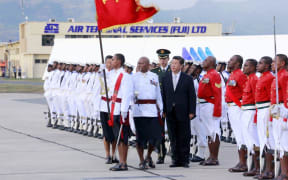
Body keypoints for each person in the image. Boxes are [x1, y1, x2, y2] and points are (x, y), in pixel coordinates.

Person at [162, 56, 196, 168]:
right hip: (170, 111)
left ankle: (184, 160)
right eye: (172, 63)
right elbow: (163, 95)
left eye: (176, 63)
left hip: (184, 111)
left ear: (181, 66)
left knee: (184, 136)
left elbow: (192, 96)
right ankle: (175, 159)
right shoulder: (165, 77)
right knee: (173, 136)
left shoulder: (187, 78)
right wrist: (163, 110)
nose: (173, 65)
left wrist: (192, 111)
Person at [132, 57, 163, 169]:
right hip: (139, 111)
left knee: (154, 138)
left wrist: (161, 108)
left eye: (142, 63)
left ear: (148, 65)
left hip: (152, 111)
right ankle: (141, 161)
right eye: (138, 63)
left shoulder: (154, 76)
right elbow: (131, 94)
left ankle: (148, 156)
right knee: (140, 138)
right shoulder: (133, 77)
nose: (140, 65)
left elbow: (158, 93)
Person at [108, 53, 133, 171]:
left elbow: (127, 94)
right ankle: (121, 161)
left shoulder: (125, 76)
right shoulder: (114, 74)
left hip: (121, 110)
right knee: (117, 137)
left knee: (122, 138)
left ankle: (124, 163)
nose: (111, 61)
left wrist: (123, 111)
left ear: (118, 61)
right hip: (114, 108)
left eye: (113, 60)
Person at [198, 56, 222, 166]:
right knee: (208, 132)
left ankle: (214, 157)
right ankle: (211, 156)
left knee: (214, 131)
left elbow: (217, 93)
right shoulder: (206, 74)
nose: (203, 62)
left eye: (206, 60)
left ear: (212, 63)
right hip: (203, 105)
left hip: (210, 105)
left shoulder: (214, 74)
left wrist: (217, 110)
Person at [225, 55, 248, 172]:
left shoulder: (240, 75)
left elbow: (246, 92)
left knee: (241, 136)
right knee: (238, 136)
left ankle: (244, 163)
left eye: (231, 60)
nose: (229, 61)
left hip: (238, 107)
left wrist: (242, 107)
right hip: (231, 108)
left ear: (238, 63)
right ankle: (241, 161)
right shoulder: (233, 75)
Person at [238, 59, 260, 176]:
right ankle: (253, 166)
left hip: (251, 111)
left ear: (253, 67)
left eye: (246, 66)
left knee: (253, 140)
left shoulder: (254, 79)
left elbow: (257, 98)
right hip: (246, 110)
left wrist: (256, 116)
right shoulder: (249, 79)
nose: (244, 68)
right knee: (248, 140)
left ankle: (257, 168)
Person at [255, 56, 275, 179]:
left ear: (267, 66)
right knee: (263, 139)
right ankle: (265, 170)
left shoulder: (269, 78)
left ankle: (269, 170)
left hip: (266, 109)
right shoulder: (262, 77)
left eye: (261, 63)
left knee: (268, 139)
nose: (258, 65)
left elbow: (271, 97)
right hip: (260, 109)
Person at [151, 49, 171, 164]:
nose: (163, 61)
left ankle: (174, 153)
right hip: (158, 107)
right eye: (161, 59)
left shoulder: (172, 70)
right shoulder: (154, 72)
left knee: (172, 131)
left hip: (170, 106)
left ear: (168, 59)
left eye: (165, 58)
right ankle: (161, 154)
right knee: (160, 132)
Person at [270, 54, 288, 180]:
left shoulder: (284, 76)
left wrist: (286, 113)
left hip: (283, 110)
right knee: (278, 141)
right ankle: (283, 172)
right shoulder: (278, 76)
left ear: (282, 63)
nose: (272, 64)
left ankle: (285, 173)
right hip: (277, 110)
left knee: (283, 142)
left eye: (274, 62)